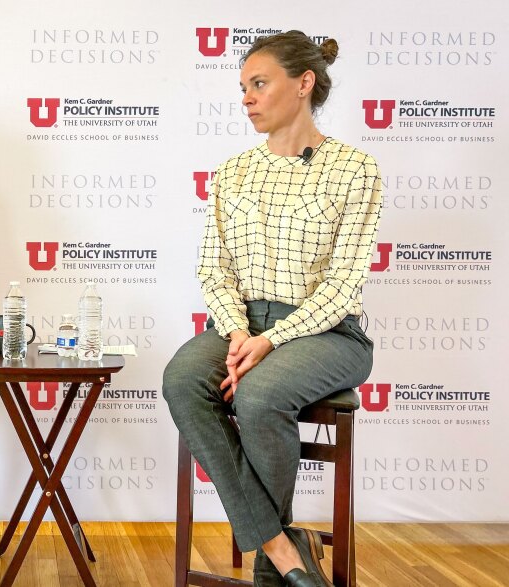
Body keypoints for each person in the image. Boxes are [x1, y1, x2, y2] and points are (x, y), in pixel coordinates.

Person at [163, 32, 381, 587]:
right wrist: (239, 331)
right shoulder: (233, 171)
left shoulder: (356, 169)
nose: (247, 98)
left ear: (304, 84)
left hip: (327, 334)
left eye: (259, 84)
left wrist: (270, 340)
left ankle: (270, 566)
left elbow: (343, 284)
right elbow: (215, 269)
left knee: (259, 396)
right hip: (241, 324)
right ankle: (283, 548)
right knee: (183, 378)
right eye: (243, 88)